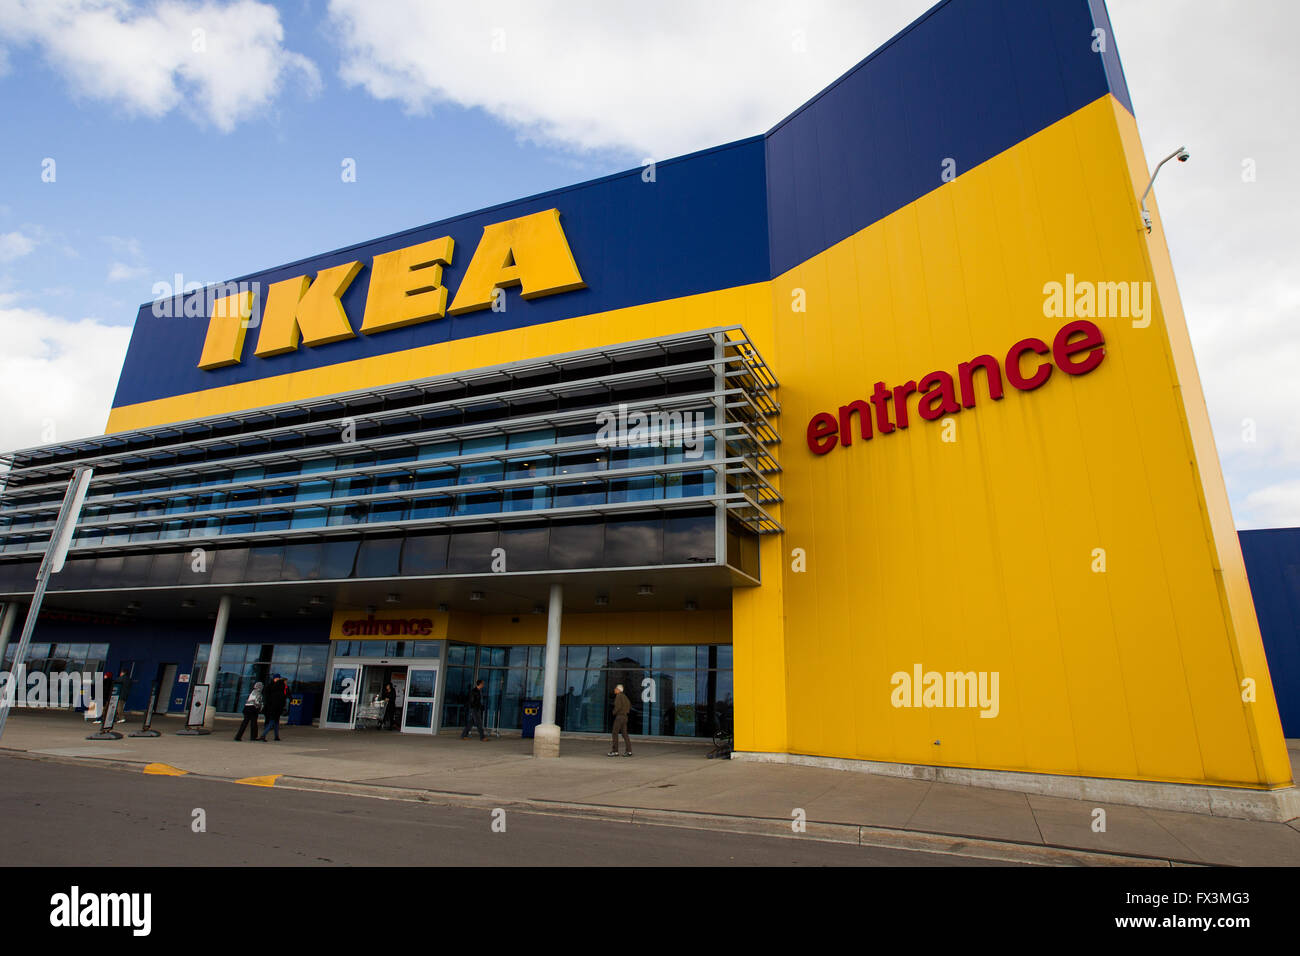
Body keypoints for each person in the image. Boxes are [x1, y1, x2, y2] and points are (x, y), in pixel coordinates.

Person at [259, 674, 287, 741]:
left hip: (275, 707)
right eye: (277, 679)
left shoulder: (279, 688)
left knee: (275, 722)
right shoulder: (273, 687)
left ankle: (276, 736)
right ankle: (263, 735)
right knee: (271, 721)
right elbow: (268, 697)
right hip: (272, 707)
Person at [608, 683, 632, 757]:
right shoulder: (625, 697)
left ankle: (615, 751)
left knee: (615, 733)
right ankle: (629, 751)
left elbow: (617, 707)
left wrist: (613, 712)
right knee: (625, 734)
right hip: (625, 717)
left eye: (615, 689)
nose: (614, 690)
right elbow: (629, 705)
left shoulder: (618, 696)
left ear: (618, 690)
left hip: (620, 717)